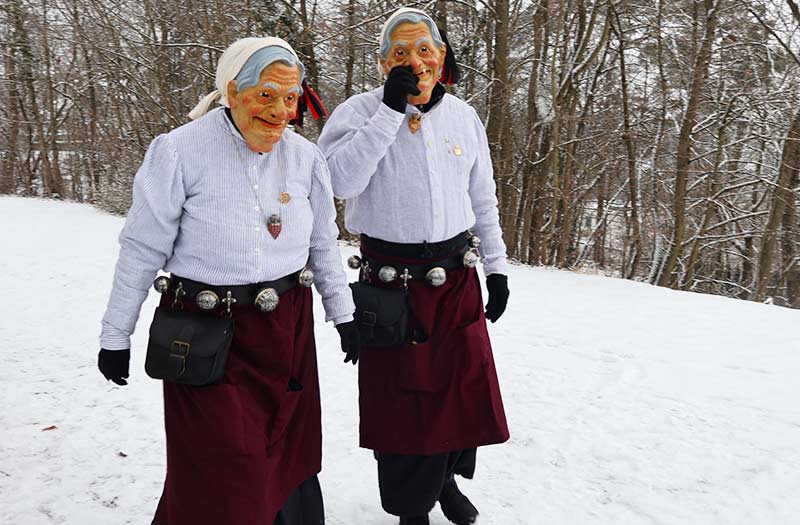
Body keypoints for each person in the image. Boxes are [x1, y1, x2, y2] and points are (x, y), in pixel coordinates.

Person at [97, 37, 360, 525]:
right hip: (205, 338)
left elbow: (323, 243)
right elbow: (141, 249)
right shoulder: (179, 152)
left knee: (286, 459)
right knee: (223, 472)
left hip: (287, 334)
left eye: (289, 97)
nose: (280, 111)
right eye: (265, 95)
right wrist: (116, 334)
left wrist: (342, 314)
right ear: (232, 91)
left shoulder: (305, 159)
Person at [317, 8, 510, 525]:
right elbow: (338, 184)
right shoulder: (357, 113)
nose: (414, 61)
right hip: (390, 286)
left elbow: (483, 198)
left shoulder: (464, 117)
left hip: (456, 277)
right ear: (383, 62)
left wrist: (497, 269)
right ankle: (411, 509)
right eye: (399, 52)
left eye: (424, 50)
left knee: (458, 396)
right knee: (403, 407)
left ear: (441, 57)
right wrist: (388, 110)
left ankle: (443, 481)